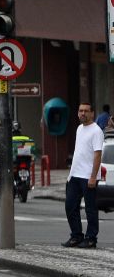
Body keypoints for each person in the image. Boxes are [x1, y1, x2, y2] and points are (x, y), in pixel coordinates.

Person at [63, 102, 104, 249]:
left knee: (90, 208)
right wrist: (70, 175)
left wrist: (93, 176)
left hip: (88, 176)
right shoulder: (79, 129)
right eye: (80, 110)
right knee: (70, 206)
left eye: (86, 111)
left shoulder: (96, 131)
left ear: (92, 113)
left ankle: (91, 238)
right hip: (75, 175)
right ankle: (76, 236)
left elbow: (97, 155)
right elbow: (79, 153)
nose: (83, 113)